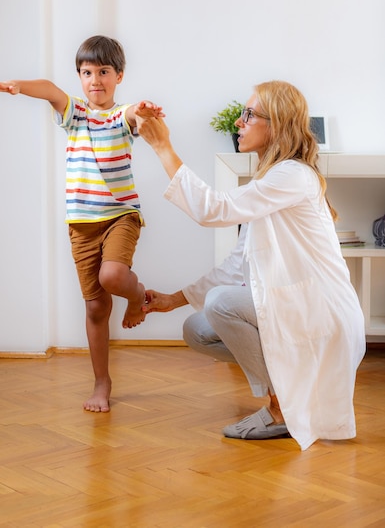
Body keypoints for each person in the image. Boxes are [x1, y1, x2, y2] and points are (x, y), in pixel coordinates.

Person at [137, 80, 366, 451]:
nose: (239, 123)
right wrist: (172, 300)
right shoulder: (273, 179)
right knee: (198, 327)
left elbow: (215, 209)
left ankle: (280, 409)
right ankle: (287, 395)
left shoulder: (292, 175)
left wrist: (163, 146)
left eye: (249, 115)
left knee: (221, 304)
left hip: (323, 313)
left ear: (275, 124)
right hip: (300, 310)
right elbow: (235, 265)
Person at [0, 35, 163, 413]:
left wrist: (143, 111)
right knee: (96, 308)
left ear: (119, 76)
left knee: (113, 277)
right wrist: (18, 87)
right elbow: (50, 90)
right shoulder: (76, 114)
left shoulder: (119, 115)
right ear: (79, 77)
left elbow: (134, 114)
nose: (95, 79)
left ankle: (137, 296)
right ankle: (102, 381)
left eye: (103, 72)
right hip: (81, 224)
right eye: (87, 72)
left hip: (120, 215)